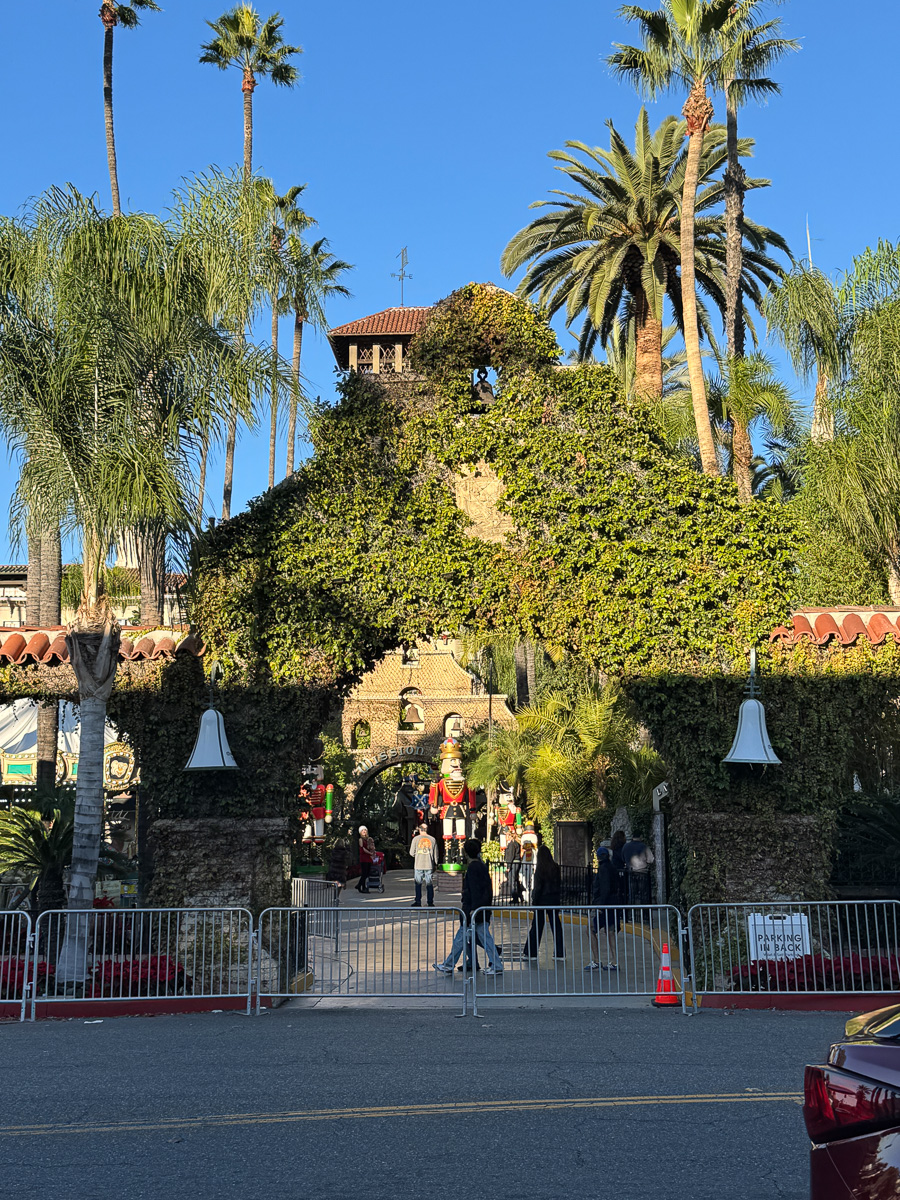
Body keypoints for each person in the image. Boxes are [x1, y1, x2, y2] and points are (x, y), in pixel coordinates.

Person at [434, 839, 503, 975]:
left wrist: (473, 909)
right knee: (469, 937)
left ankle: (450, 964)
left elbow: (475, 890)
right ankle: (451, 964)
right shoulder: (482, 866)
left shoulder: (473, 868)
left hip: (473, 911)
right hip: (479, 910)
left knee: (464, 938)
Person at [523, 845, 565, 960]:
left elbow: (538, 888)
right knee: (556, 926)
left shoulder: (540, 869)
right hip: (554, 900)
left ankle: (531, 952)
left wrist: (534, 902)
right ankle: (560, 952)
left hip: (542, 900)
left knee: (536, 926)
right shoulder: (555, 868)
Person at [587, 846, 619, 971]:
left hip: (603, 904)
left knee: (590, 929)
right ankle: (615, 961)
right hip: (613, 903)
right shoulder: (612, 868)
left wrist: (600, 905)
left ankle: (596, 960)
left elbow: (604, 888)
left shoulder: (603, 869)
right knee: (610, 931)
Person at [409, 822, 438, 907]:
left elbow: (411, 853)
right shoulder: (432, 839)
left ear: (420, 829)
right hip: (429, 864)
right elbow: (435, 854)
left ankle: (418, 901)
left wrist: (417, 855)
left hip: (418, 864)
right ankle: (430, 901)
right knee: (429, 884)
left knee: (418, 884)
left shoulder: (416, 839)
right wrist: (435, 863)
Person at [622, 834, 655, 904]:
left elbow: (623, 858)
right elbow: (651, 860)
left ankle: (632, 909)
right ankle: (644, 911)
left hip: (630, 871)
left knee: (632, 893)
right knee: (643, 893)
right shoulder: (644, 846)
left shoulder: (626, 846)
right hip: (642, 872)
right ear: (640, 837)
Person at [519, 821, 539, 903]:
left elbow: (522, 847)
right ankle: (531, 895)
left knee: (525, 877)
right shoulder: (534, 836)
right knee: (532, 877)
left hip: (526, 859)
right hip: (533, 859)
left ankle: (526, 896)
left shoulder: (523, 837)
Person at [504, 829, 522, 904]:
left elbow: (510, 855)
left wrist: (508, 866)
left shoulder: (511, 844)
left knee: (512, 880)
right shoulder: (516, 843)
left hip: (513, 863)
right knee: (516, 880)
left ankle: (515, 898)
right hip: (516, 862)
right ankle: (520, 896)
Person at [356, 826, 376, 893]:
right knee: (364, 873)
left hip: (368, 858)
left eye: (365, 830)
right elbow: (362, 849)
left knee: (367, 873)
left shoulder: (367, 839)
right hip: (364, 858)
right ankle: (361, 886)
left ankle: (361, 886)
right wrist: (369, 852)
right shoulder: (361, 840)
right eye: (362, 830)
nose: (364, 832)